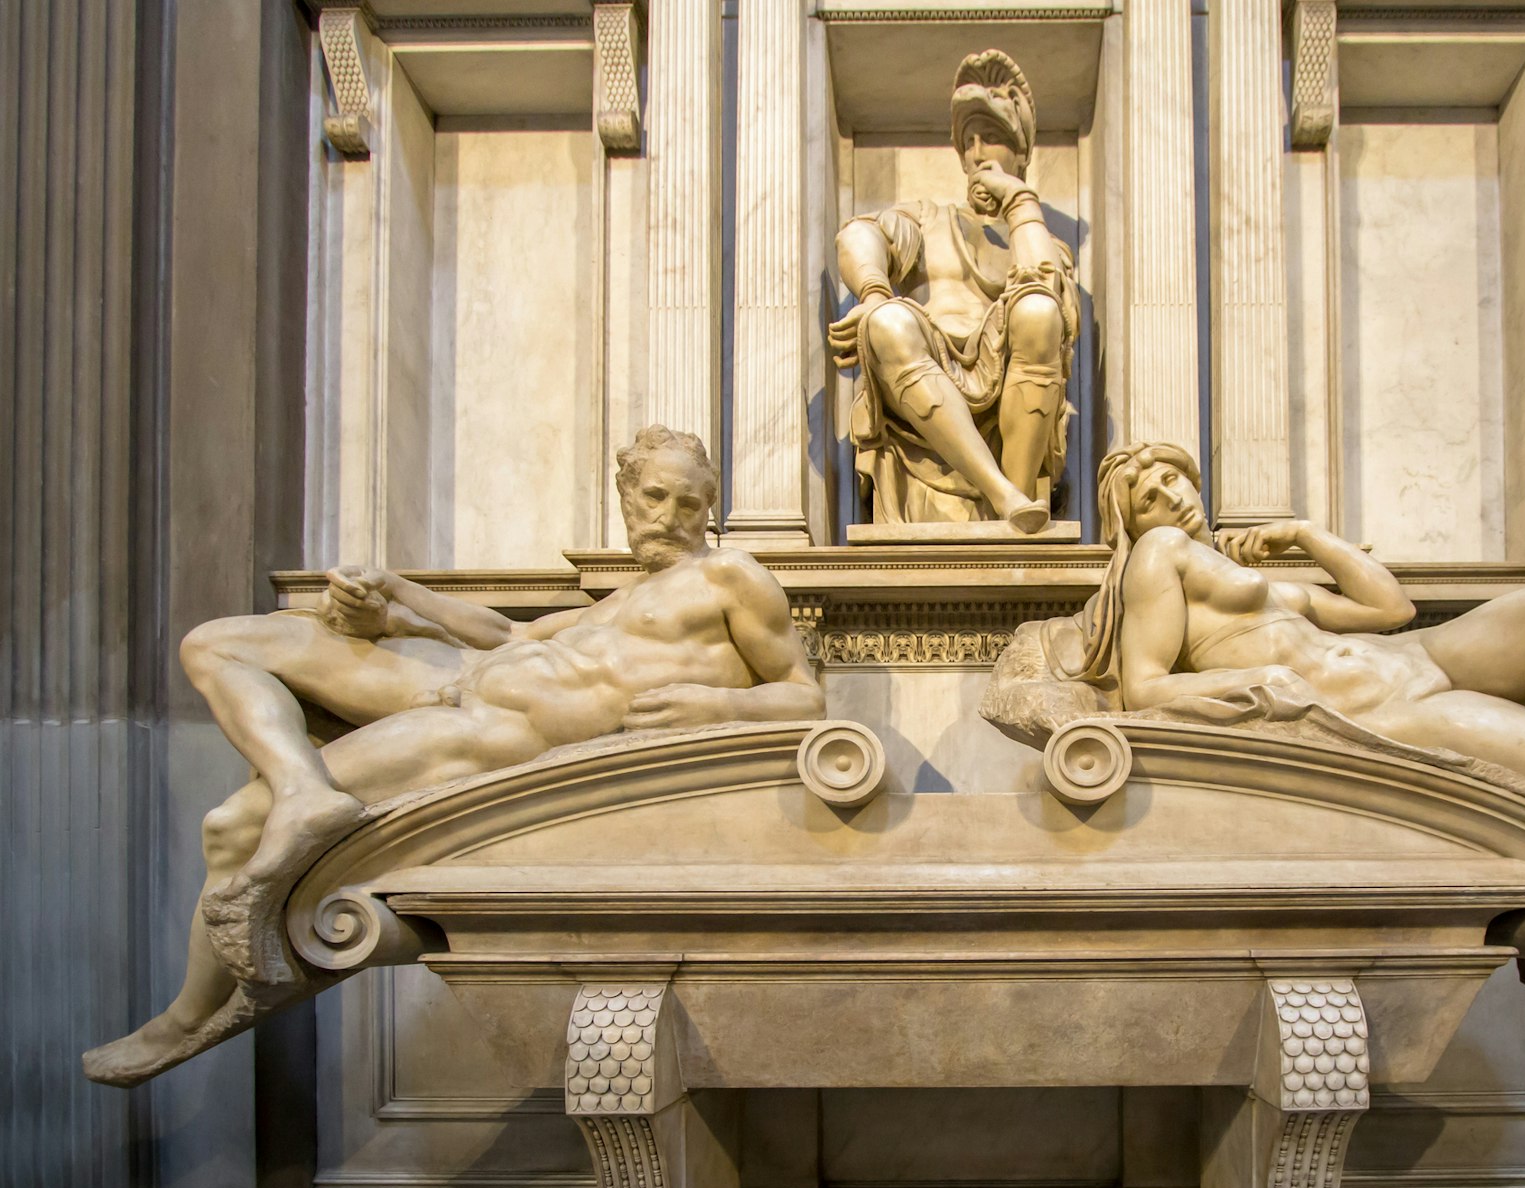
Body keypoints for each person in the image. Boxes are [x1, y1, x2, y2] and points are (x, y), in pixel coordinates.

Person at [84, 428, 824, 1086]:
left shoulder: (730, 577)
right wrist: (397, 602)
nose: (667, 517)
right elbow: (504, 635)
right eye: (654, 496)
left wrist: (724, 706)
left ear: (710, 509)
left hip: (486, 733)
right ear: (626, 496)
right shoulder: (618, 600)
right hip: (453, 688)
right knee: (216, 641)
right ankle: (300, 785)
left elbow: (803, 695)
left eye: (688, 504)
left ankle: (185, 1017)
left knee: (234, 825)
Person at [1062, 442, 1525, 1031]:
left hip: (1427, 653)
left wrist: (1304, 534)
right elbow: (1146, 687)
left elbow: (1390, 609)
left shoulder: (1254, 579)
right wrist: (1258, 681)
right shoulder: (1158, 556)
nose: (1170, 498)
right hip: (1392, 712)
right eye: (1148, 498)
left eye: (1173, 480)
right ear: (1134, 525)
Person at [828, 49, 1077, 531]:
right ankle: (1004, 497)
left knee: (1040, 312)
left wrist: (1019, 201)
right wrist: (875, 292)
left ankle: (1016, 493)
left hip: (1009, 373)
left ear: (1022, 152)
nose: (979, 153)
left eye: (996, 138)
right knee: (888, 321)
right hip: (925, 368)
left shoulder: (1039, 237)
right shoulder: (928, 216)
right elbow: (858, 235)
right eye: (969, 140)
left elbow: (1047, 288)